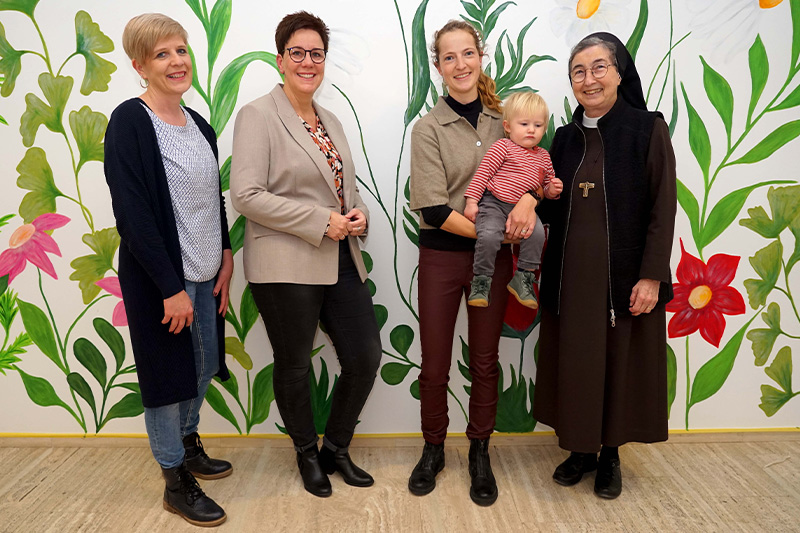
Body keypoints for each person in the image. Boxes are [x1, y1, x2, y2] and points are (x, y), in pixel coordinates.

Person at [230, 11, 381, 498]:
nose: (308, 61)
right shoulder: (257, 114)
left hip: (340, 255)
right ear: (280, 59)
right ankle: (306, 453)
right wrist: (321, 220)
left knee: (364, 355)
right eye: (297, 52)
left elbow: (341, 191)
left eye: (316, 53)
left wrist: (356, 213)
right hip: (285, 262)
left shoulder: (330, 119)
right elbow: (246, 195)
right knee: (293, 364)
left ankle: (336, 447)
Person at [533, 32, 677, 500]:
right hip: (572, 278)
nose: (589, 79)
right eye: (578, 71)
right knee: (577, 363)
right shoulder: (563, 138)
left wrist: (652, 275)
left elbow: (663, 207)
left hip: (622, 276)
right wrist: (538, 198)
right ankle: (580, 451)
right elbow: (553, 209)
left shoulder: (646, 128)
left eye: (599, 67)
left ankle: (610, 454)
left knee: (617, 363)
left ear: (619, 72)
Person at [104, 13, 233, 527]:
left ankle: (187, 439)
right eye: (162, 54)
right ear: (139, 65)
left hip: (205, 272)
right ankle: (175, 479)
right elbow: (132, 212)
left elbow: (211, 199)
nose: (176, 61)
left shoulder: (199, 123)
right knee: (167, 377)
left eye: (180, 50)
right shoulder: (131, 121)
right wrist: (168, 287)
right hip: (162, 282)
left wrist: (225, 254)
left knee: (200, 368)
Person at [408, 20, 538, 507]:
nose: (460, 64)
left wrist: (527, 202)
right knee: (435, 363)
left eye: (468, 54)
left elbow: (533, 172)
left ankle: (480, 450)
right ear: (437, 67)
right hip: (444, 258)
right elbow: (435, 210)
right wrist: (497, 231)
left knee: (486, 361)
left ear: (480, 58)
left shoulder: (506, 121)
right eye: (448, 57)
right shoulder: (427, 129)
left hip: (496, 263)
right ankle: (433, 449)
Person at [463, 91, 563, 309]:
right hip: (494, 203)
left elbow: (545, 187)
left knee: (537, 234)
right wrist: (472, 202)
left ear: (544, 129)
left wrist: (553, 189)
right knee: (488, 235)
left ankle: (524, 277)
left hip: (525, 210)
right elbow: (483, 174)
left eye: (538, 125)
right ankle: (481, 279)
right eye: (524, 123)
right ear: (508, 127)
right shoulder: (503, 147)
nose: (531, 130)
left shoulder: (544, 156)